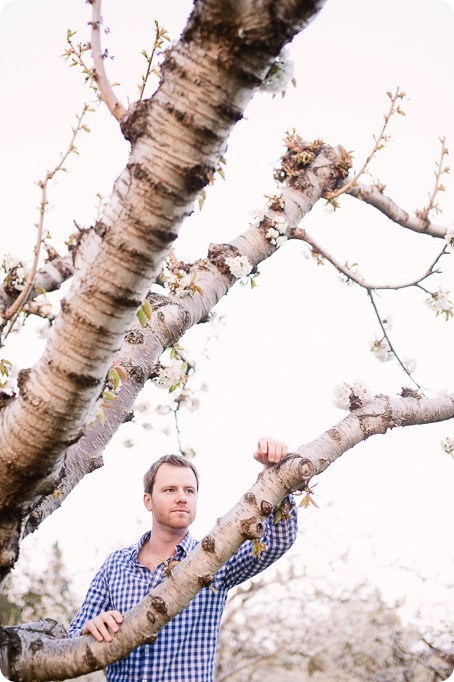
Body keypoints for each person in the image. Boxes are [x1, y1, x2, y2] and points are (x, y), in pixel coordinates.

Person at [68, 437, 298, 681]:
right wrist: (90, 628)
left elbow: (278, 541)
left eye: (189, 490)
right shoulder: (115, 565)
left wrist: (274, 476)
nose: (182, 497)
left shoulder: (215, 559)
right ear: (148, 501)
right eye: (169, 490)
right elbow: (73, 639)